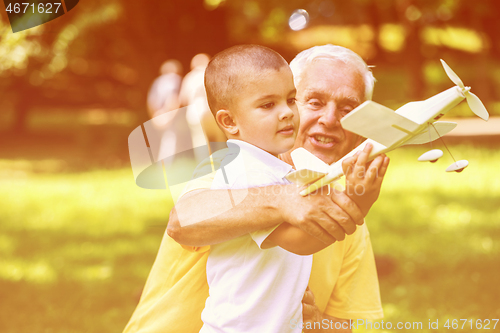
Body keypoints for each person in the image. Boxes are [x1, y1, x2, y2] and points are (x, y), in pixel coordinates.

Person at [123, 45, 389, 333]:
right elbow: (183, 219)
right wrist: (283, 200)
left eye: (348, 109)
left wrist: (316, 324)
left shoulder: (337, 206)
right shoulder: (236, 166)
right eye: (313, 102)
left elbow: (357, 325)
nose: (330, 119)